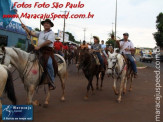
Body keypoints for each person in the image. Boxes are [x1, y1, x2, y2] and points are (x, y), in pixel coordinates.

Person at [21, 19, 57, 90]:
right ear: (43, 25)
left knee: (49, 64)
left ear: (50, 25)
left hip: (47, 51)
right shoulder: (41, 32)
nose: (46, 24)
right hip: (39, 50)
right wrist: (25, 27)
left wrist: (39, 46)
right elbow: (32, 33)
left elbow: (49, 41)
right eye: (45, 23)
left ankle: (51, 81)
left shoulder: (51, 33)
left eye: (48, 23)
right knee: (29, 59)